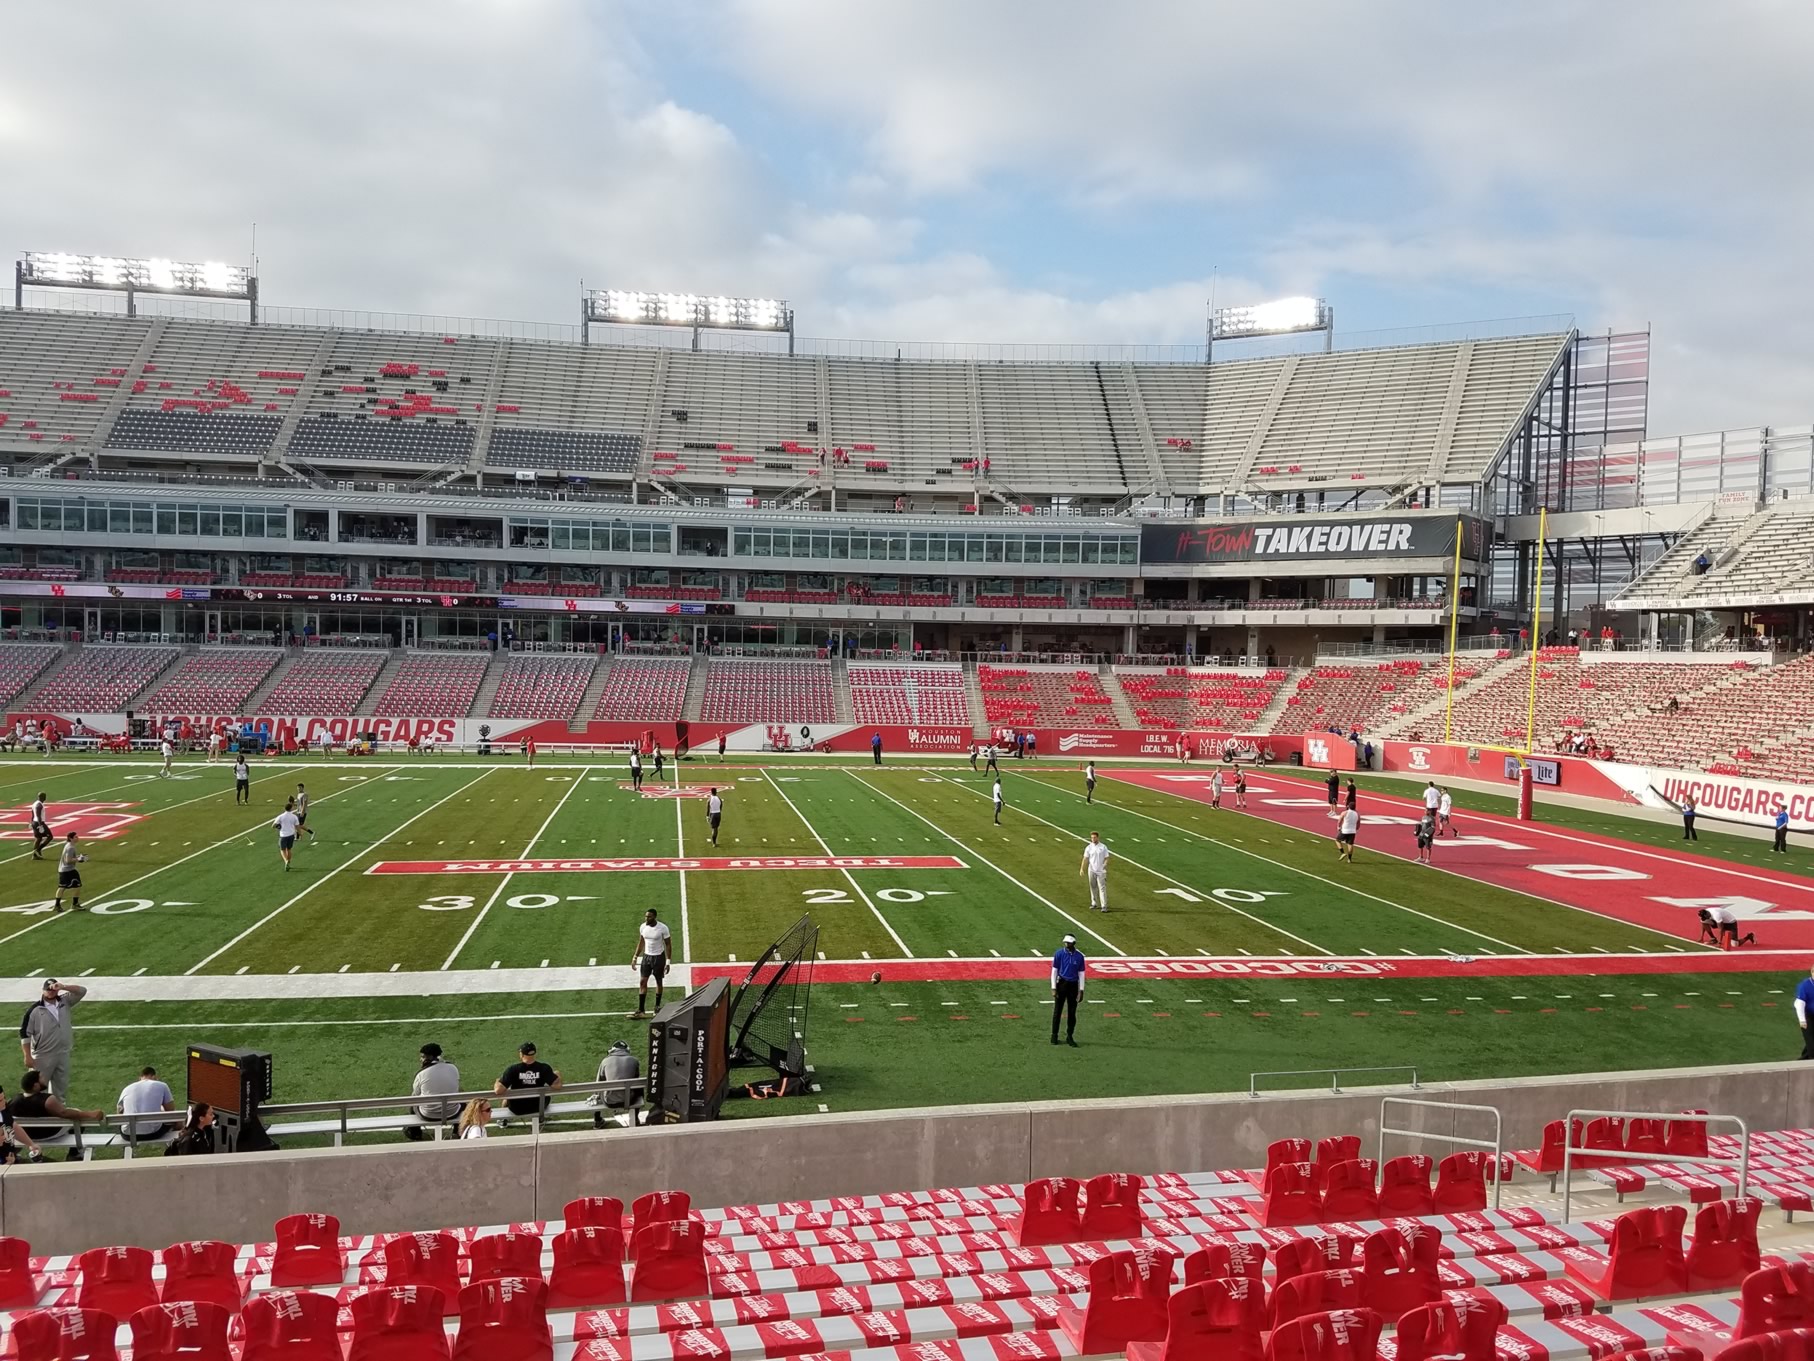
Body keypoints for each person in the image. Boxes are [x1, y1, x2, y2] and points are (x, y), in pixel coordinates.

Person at [20, 979, 86, 1098]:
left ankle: (58, 1111)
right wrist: (27, 1056)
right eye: (47, 990)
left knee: (60, 1089)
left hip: (63, 1052)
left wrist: (63, 986)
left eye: (52, 989)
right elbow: (25, 1033)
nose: (50, 992)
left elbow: (82, 991)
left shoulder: (64, 1001)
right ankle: (36, 1113)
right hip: (43, 1055)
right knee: (38, 1089)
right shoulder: (34, 1010)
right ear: (43, 991)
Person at [9, 1069, 101, 1152]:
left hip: (26, 1135)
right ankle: (75, 1153)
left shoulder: (13, 1101)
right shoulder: (47, 1100)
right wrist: (90, 1114)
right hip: (49, 1133)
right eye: (41, 1078)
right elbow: (64, 1113)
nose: (44, 1080)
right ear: (35, 1085)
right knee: (75, 1114)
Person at [405, 1043, 462, 1141]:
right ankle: (457, 1130)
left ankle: (415, 1132)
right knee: (462, 1100)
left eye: (423, 1057)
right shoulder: (453, 1068)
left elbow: (415, 1094)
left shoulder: (421, 1074)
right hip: (453, 1112)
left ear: (430, 1057)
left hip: (428, 1114)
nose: (421, 1059)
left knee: (413, 1103)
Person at [495, 1043, 561, 1119]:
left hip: (517, 1109)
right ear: (534, 1054)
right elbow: (557, 1085)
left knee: (507, 1097)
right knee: (545, 1096)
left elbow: (498, 1090)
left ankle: (503, 1120)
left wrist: (497, 1081)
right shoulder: (544, 1068)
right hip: (539, 1107)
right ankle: (541, 1118)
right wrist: (558, 1074)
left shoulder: (513, 1070)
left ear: (522, 1055)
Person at [592, 1040, 643, 1129]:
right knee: (639, 1087)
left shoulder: (605, 1061)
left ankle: (597, 1120)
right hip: (629, 1100)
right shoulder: (634, 1061)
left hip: (609, 1101)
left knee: (599, 1089)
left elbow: (598, 1083)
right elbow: (636, 1080)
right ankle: (635, 1118)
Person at [117, 1065, 177, 1140]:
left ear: (140, 1078)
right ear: (154, 1077)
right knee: (176, 1121)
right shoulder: (162, 1085)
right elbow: (171, 1111)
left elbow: (119, 1113)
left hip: (128, 1135)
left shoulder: (126, 1088)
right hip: (153, 1133)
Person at [633, 909, 671, 1016]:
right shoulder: (643, 927)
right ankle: (641, 1010)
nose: (646, 919)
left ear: (654, 917)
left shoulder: (663, 928)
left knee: (659, 981)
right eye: (646, 916)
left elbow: (668, 944)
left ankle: (657, 1007)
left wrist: (668, 961)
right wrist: (635, 957)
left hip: (659, 957)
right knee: (642, 981)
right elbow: (641, 942)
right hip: (646, 957)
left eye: (649, 917)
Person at [1050, 934, 1086, 1048]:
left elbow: (1081, 974)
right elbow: (1054, 971)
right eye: (1065, 942)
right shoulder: (1059, 953)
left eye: (1068, 943)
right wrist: (1053, 987)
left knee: (1072, 1012)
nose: (1066, 944)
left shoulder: (1079, 957)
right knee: (1057, 1011)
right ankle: (1054, 1035)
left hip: (1073, 985)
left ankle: (1070, 1036)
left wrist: (1081, 990)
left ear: (1073, 943)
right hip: (1062, 984)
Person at [0, 1084, 44, 1164]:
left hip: (9, 1161)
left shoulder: (3, 1111)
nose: (4, 1102)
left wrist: (30, 1144)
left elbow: (12, 1126)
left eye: (4, 1098)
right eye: (0, 1101)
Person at [52, 835, 87, 913]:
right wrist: (79, 859)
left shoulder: (68, 845)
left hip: (65, 870)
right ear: (71, 838)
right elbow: (68, 860)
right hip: (68, 870)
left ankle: (58, 905)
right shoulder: (70, 847)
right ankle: (74, 904)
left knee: (64, 886)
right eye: (75, 837)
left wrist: (78, 857)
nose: (77, 838)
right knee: (75, 886)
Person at [1079, 831, 1110, 913]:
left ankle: (1104, 905)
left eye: (1094, 837)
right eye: (1092, 837)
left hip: (1101, 871)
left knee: (1102, 888)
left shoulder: (1103, 847)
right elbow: (1085, 858)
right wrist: (1082, 868)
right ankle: (1094, 903)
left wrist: (1105, 864)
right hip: (1092, 870)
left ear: (1098, 838)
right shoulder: (1089, 847)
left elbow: (1107, 857)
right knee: (1093, 887)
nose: (1093, 839)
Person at [273, 799, 300, 871]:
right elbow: (297, 826)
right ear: (291, 808)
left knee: (282, 849)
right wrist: (299, 834)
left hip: (283, 835)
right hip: (291, 835)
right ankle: (289, 861)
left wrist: (279, 827)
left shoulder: (280, 816)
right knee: (289, 849)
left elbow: (273, 825)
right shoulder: (294, 816)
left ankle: (286, 861)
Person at [1797, 965, 1814, 1060]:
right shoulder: (1805, 985)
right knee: (1811, 1046)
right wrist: (1802, 1020)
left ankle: (1800, 1063)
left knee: (1810, 1045)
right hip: (1808, 1017)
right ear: (1812, 972)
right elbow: (1799, 1004)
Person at [29, 792, 51, 860]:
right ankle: (37, 850)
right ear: (43, 797)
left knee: (38, 838)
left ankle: (35, 855)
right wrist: (40, 826)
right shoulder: (39, 805)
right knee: (50, 837)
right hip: (39, 823)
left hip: (35, 822)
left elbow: (32, 814)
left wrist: (31, 822)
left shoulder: (35, 803)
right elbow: (38, 816)